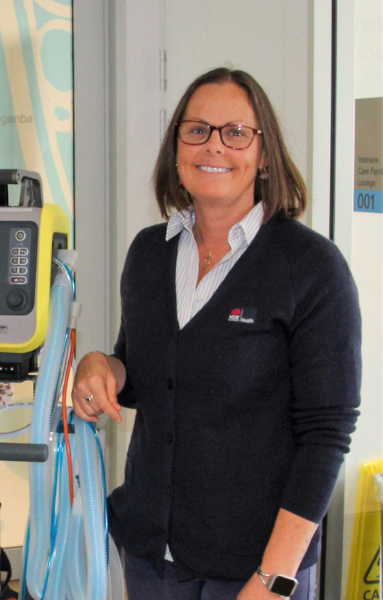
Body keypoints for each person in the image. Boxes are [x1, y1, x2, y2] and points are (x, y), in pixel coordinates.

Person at [71, 68, 361, 600]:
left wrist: (274, 578)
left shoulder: (311, 267)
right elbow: (140, 373)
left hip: (256, 567)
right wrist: (101, 365)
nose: (214, 146)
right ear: (177, 147)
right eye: (197, 130)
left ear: (264, 152)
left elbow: (327, 433)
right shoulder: (148, 253)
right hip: (152, 558)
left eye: (235, 132)